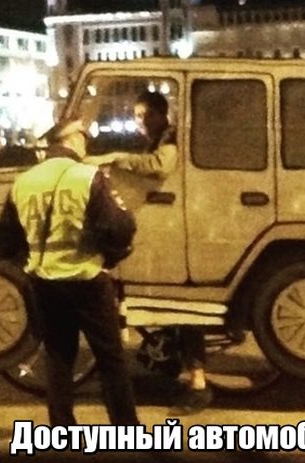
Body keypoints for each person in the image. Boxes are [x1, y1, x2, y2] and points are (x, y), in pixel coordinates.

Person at [2, 118, 140, 426]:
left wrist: (32, 261)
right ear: (70, 139)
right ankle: (126, 427)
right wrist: (112, 255)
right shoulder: (87, 176)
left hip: (43, 280)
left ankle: (62, 427)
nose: (86, 140)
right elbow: (117, 227)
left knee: (59, 355)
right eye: (83, 135)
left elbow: (8, 238)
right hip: (87, 277)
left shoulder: (23, 181)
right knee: (110, 358)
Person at [90, 90, 213, 414]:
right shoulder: (157, 139)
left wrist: (117, 158)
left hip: (181, 226)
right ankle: (171, 364)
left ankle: (198, 382)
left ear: (162, 115)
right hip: (171, 226)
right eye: (138, 116)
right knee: (170, 303)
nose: (142, 121)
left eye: (147, 115)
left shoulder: (169, 139)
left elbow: (160, 166)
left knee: (184, 305)